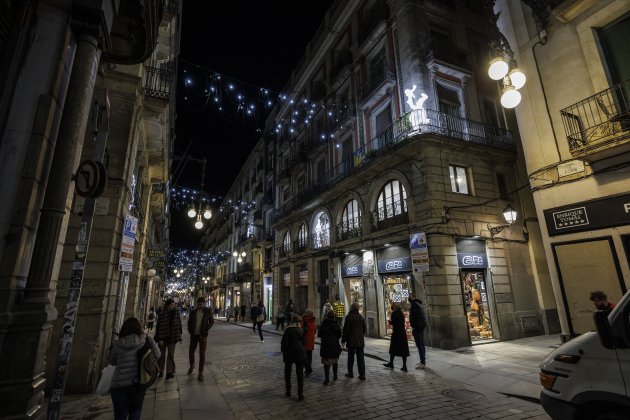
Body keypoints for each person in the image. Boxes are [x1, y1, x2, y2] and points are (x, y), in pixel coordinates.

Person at [109, 317, 160, 420]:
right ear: (139, 328)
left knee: (119, 415)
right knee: (135, 412)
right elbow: (158, 354)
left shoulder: (118, 344)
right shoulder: (146, 339)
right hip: (138, 382)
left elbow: (112, 362)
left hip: (119, 385)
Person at [187, 296, 214, 381]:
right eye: (198, 304)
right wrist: (190, 330)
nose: (199, 305)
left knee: (202, 354)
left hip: (203, 335)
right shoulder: (193, 312)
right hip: (194, 335)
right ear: (197, 304)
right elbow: (189, 322)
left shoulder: (207, 311)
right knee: (191, 352)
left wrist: (206, 329)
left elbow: (212, 321)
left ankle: (200, 373)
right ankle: (192, 365)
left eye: (201, 304)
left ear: (203, 304)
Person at [154, 298, 182, 380]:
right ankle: (160, 371)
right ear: (167, 305)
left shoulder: (176, 313)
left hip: (173, 337)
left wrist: (179, 332)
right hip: (163, 337)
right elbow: (159, 326)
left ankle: (169, 372)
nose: (173, 306)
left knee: (170, 355)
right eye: (172, 305)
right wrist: (159, 338)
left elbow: (179, 323)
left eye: (174, 305)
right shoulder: (162, 314)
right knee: (161, 356)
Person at [281, 314, 306, 401]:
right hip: (300, 353)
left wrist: (284, 352)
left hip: (289, 353)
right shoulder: (300, 329)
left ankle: (288, 391)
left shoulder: (288, 330)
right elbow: (304, 342)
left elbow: (284, 343)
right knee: (300, 374)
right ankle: (300, 394)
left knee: (288, 373)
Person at [342, 302, 367, 380]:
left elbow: (346, 330)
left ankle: (350, 372)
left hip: (351, 341)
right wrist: (360, 336)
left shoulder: (348, 317)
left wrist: (343, 339)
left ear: (352, 308)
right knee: (360, 358)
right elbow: (364, 329)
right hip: (360, 341)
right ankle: (362, 374)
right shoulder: (360, 317)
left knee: (350, 357)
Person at [383, 302, 410, 372]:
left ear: (394, 307)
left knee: (393, 348)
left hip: (397, 333)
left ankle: (391, 363)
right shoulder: (401, 313)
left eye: (392, 306)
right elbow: (401, 322)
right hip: (402, 333)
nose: (391, 307)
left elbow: (395, 323)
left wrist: (390, 322)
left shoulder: (395, 313)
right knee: (403, 350)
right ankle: (404, 365)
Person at [318, 310, 341, 385]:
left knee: (326, 362)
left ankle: (327, 378)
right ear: (333, 316)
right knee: (334, 361)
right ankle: (335, 376)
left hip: (326, 345)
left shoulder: (324, 324)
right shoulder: (336, 324)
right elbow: (339, 335)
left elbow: (319, 334)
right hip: (335, 345)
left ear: (327, 316)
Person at [408, 293, 427, 369]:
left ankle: (423, 363)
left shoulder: (414, 305)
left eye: (409, 296)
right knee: (421, 344)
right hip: (421, 327)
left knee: (420, 345)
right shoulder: (419, 304)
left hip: (418, 328)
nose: (408, 298)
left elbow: (415, 318)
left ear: (413, 297)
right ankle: (423, 361)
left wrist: (414, 327)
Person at [301, 309, 316, 376]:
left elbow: (301, 330)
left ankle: (308, 369)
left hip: (305, 340)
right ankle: (308, 368)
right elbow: (315, 331)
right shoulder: (313, 321)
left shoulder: (304, 320)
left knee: (304, 356)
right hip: (311, 340)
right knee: (309, 356)